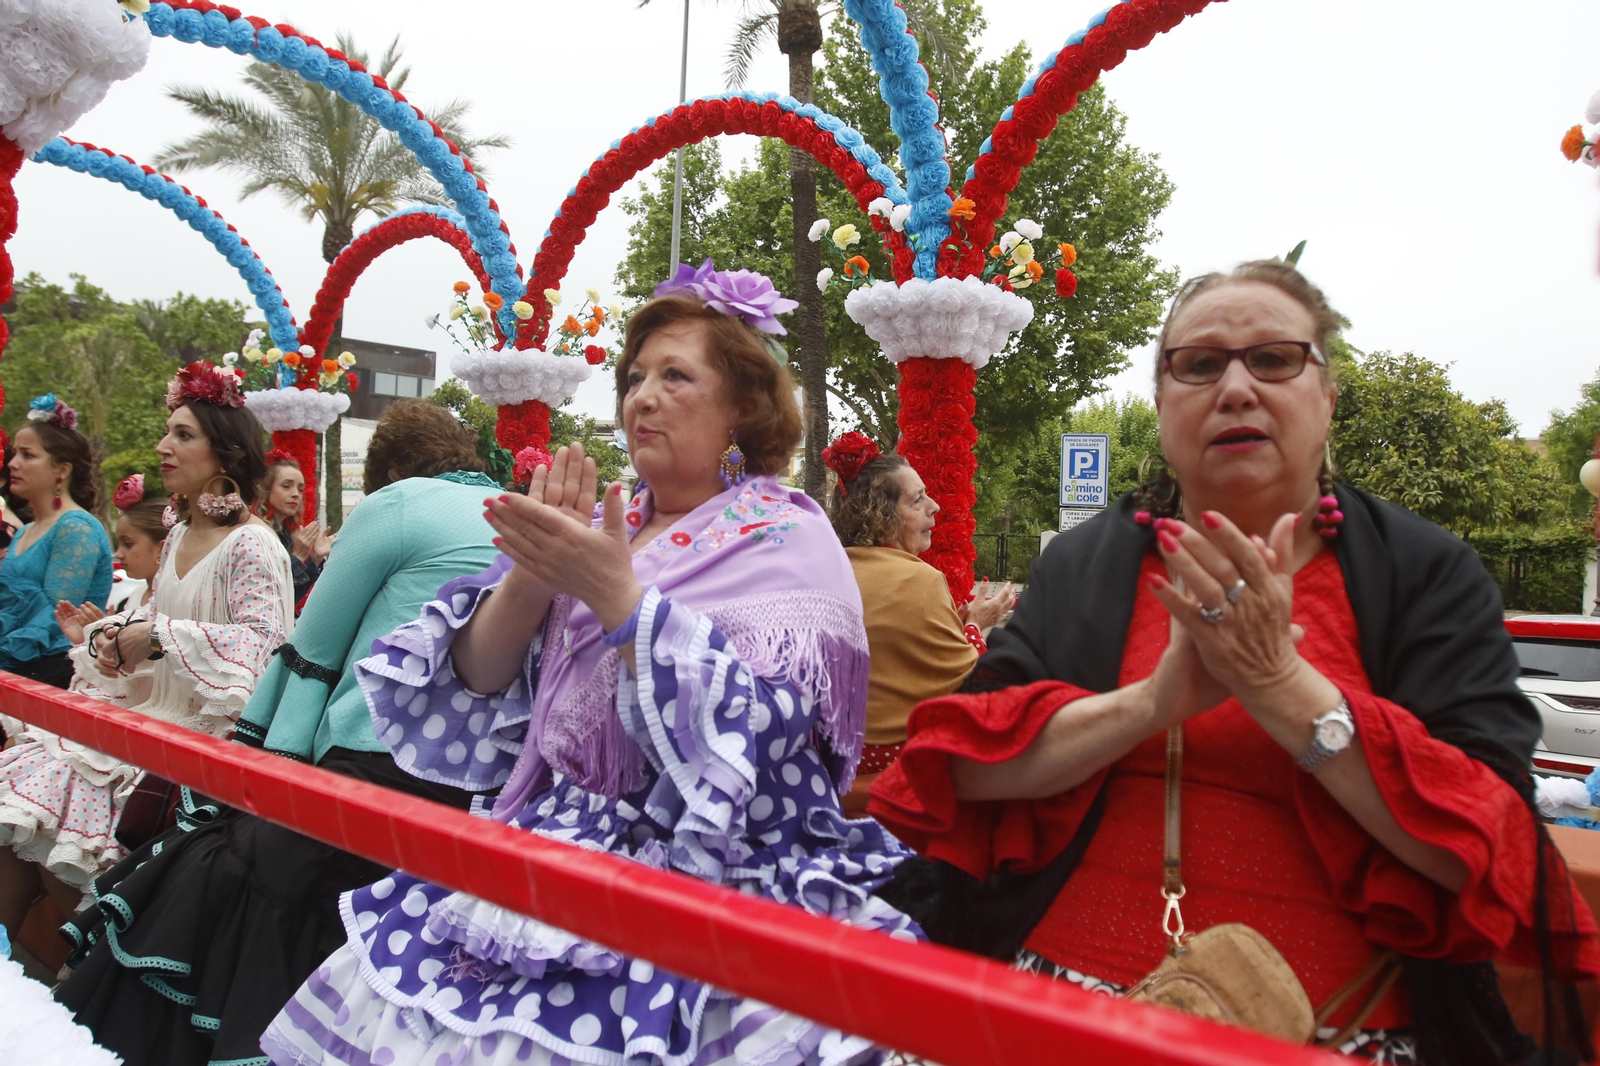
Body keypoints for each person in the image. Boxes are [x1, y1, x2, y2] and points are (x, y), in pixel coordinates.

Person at [868, 261, 1600, 1065]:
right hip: (1050, 1006)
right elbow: (963, 765)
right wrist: (1152, 703)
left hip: (1338, 1029)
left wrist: (1283, 690)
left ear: (1327, 400)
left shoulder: (1426, 572)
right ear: (1161, 405)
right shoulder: (1086, 564)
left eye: (1276, 359)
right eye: (1201, 364)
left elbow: (1491, 846)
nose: (1238, 388)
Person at [262, 265, 918, 1066]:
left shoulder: (786, 533)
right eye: (634, 376)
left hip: (700, 871)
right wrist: (535, 575)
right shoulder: (613, 516)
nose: (641, 396)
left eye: (675, 375)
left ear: (744, 406)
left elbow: (769, 735)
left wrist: (621, 601)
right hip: (540, 846)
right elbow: (478, 677)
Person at [55, 400, 503, 1066]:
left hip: (368, 762)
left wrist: (256, 779)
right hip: (483, 791)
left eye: (182, 433)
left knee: (216, 870)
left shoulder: (394, 505)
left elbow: (309, 650)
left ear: (394, 471)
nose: (164, 446)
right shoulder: (514, 508)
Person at [0, 363, 293, 937]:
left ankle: (78, 975)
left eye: (183, 435)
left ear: (227, 453)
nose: (163, 446)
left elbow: (266, 650)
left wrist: (158, 636)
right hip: (148, 716)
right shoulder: (180, 531)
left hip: (201, 740)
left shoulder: (253, 545)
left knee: (56, 816)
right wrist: (113, 638)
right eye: (169, 432)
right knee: (21, 809)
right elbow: (158, 622)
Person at [820, 432, 1013, 817]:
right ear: (881, 512)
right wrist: (975, 624)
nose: (936, 506)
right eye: (918, 499)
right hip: (902, 779)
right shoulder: (920, 580)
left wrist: (953, 628)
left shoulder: (823, 569)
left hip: (827, 773)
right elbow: (973, 688)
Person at [0, 395, 113, 689]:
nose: (12, 463)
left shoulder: (76, 527)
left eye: (28, 455)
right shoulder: (25, 531)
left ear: (62, 470)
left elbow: (54, 617)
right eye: (14, 453)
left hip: (52, 673)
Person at [260, 450, 334, 607]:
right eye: (286, 486)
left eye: (300, 489)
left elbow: (291, 598)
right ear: (265, 489)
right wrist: (298, 556)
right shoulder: (255, 533)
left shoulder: (285, 534)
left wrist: (315, 557)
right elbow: (268, 596)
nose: (295, 494)